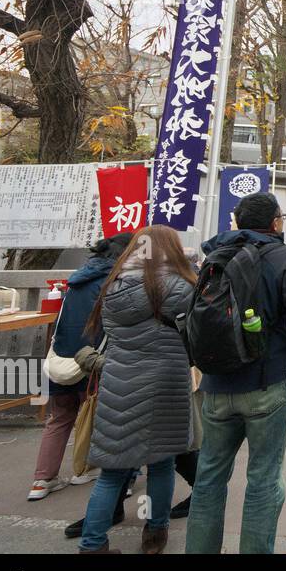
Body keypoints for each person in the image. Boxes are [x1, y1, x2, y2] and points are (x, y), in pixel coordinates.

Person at [185, 192, 286, 555]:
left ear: (237, 221)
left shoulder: (213, 256)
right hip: (268, 381)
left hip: (215, 386)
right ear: (276, 223)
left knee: (209, 478)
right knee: (262, 479)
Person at [74, 225, 197, 554]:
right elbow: (196, 335)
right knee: (161, 464)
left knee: (112, 472)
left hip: (118, 381)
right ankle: (155, 535)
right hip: (166, 383)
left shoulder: (112, 286)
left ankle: (92, 545)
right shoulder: (180, 286)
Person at [29, 233, 132, 504]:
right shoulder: (115, 282)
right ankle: (96, 471)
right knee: (105, 418)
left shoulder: (77, 279)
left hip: (62, 357)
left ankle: (42, 480)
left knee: (60, 418)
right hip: (94, 361)